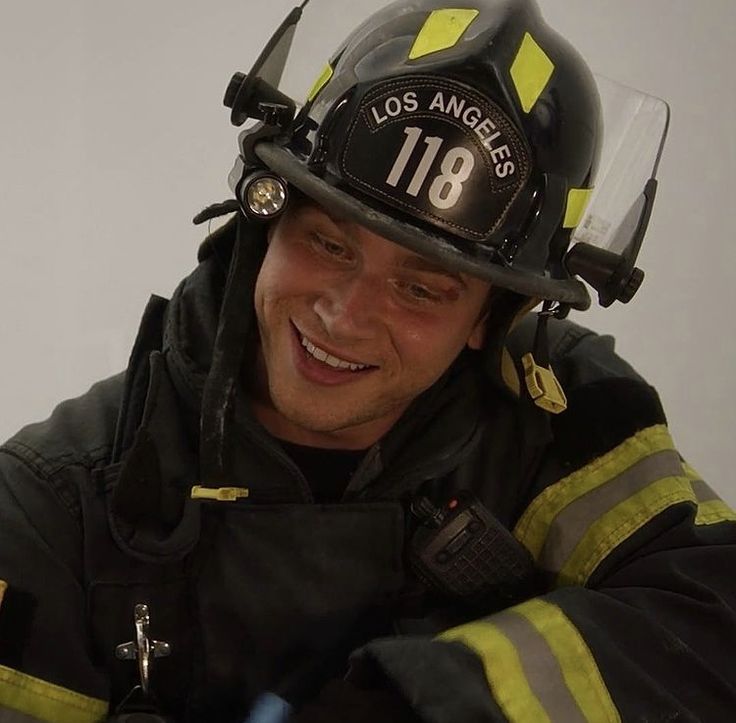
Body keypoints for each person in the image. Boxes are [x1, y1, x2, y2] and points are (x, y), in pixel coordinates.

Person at [1, 0, 735, 721]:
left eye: (421, 287)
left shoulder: (563, 423)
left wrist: (425, 700)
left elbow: (711, 613)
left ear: (493, 318)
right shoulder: (53, 503)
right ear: (266, 218)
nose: (345, 316)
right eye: (328, 243)